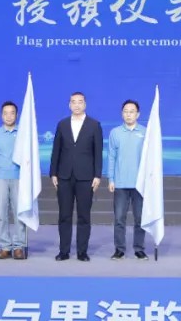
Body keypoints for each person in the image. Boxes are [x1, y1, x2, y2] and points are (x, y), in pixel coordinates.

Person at [50, 91, 103, 261]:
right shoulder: (62, 124)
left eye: (80, 102)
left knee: (84, 216)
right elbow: (56, 150)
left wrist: (97, 175)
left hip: (86, 177)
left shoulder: (94, 125)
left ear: (85, 104)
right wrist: (53, 173)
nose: (77, 105)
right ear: (69, 105)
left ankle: (82, 252)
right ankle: (64, 251)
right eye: (74, 102)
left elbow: (98, 153)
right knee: (64, 215)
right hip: (64, 176)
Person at [108, 99, 147, 260]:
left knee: (140, 219)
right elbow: (111, 157)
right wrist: (111, 179)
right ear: (122, 114)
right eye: (125, 111)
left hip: (140, 184)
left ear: (138, 114)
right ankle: (119, 249)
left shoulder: (146, 132)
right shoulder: (115, 133)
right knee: (119, 219)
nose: (128, 114)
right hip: (121, 183)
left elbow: (151, 159)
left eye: (132, 111)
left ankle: (139, 248)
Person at [0, 101, 24, 260]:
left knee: (19, 213)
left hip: (19, 178)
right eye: (5, 113)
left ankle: (19, 246)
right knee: (1, 213)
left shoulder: (23, 133)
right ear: (1, 115)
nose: (9, 116)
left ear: (16, 115)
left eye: (12, 113)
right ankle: (5, 246)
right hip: (0, 177)